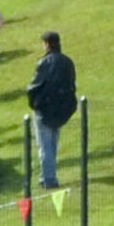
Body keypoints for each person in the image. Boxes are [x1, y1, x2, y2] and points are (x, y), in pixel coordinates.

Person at [24, 30, 77, 191]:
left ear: (47, 44)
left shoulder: (44, 63)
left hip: (45, 109)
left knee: (45, 146)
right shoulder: (68, 62)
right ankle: (47, 175)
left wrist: (34, 104)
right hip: (62, 109)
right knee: (53, 143)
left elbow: (35, 86)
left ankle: (49, 179)